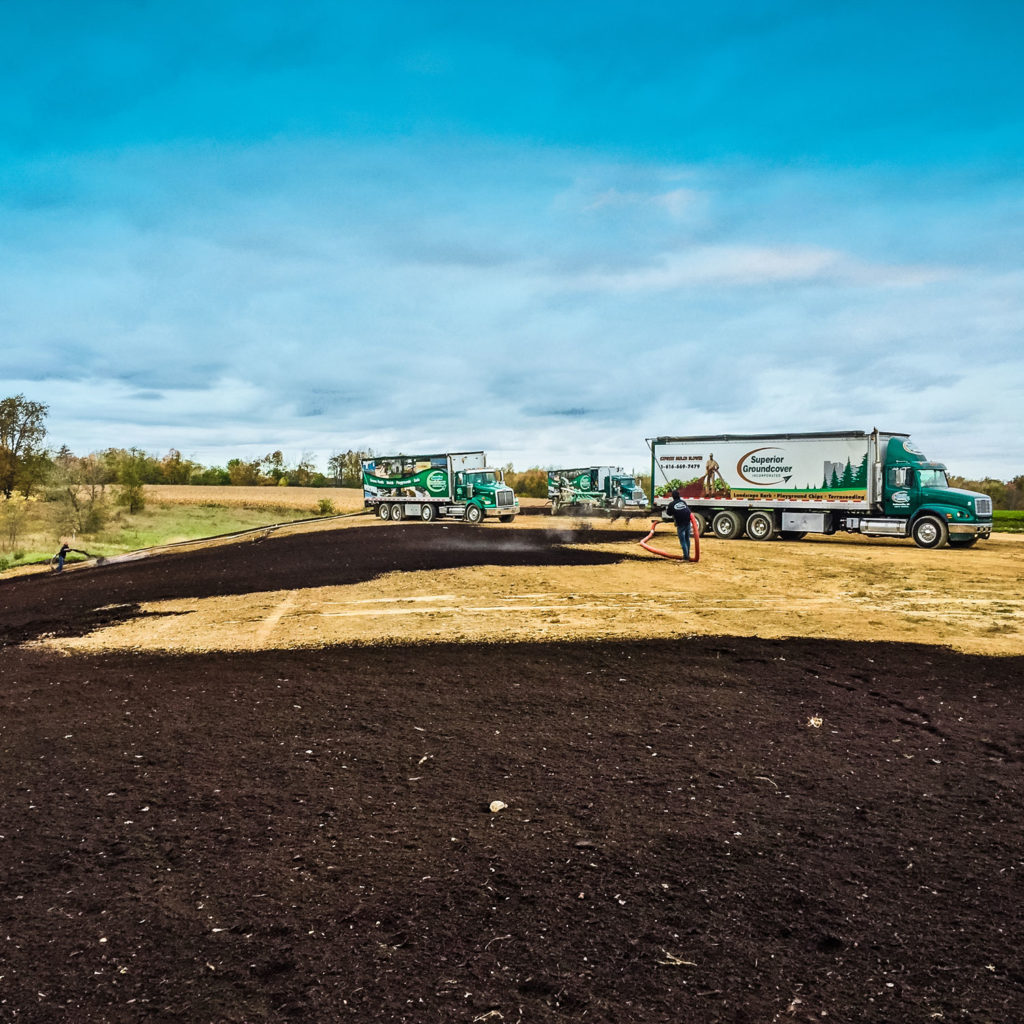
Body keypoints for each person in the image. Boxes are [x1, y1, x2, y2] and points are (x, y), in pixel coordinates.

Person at [666, 489, 693, 561]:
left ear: (672, 497)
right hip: (688, 522)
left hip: (680, 524)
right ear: (679, 495)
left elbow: (668, 513)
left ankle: (686, 557)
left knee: (682, 541)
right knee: (687, 539)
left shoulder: (671, 504)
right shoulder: (683, 502)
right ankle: (688, 555)